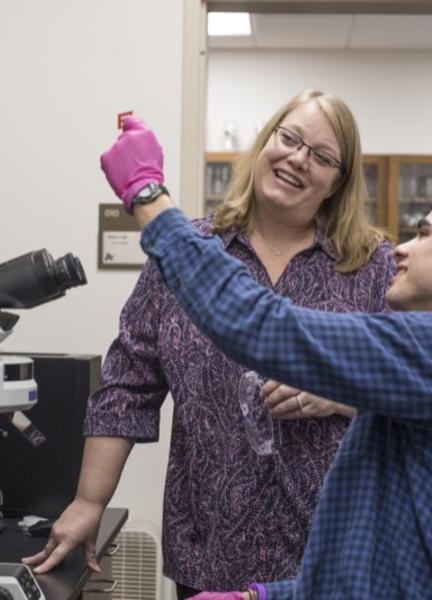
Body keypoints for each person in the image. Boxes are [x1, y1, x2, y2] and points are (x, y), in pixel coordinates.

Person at [23, 91, 395, 596]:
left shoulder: (372, 269)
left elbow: (410, 391)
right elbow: (126, 387)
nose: (298, 160)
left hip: (332, 558)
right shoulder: (185, 256)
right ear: (267, 141)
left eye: (323, 157)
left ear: (338, 182)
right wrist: (90, 502)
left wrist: (339, 393)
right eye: (290, 138)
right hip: (211, 554)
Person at [97, 115, 432, 598]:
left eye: (422, 236)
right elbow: (359, 574)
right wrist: (256, 596)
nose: (400, 248)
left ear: (338, 181)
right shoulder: (208, 242)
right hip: (221, 550)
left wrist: (148, 195)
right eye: (289, 139)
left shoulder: (409, 332)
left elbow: (263, 326)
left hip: (305, 535)